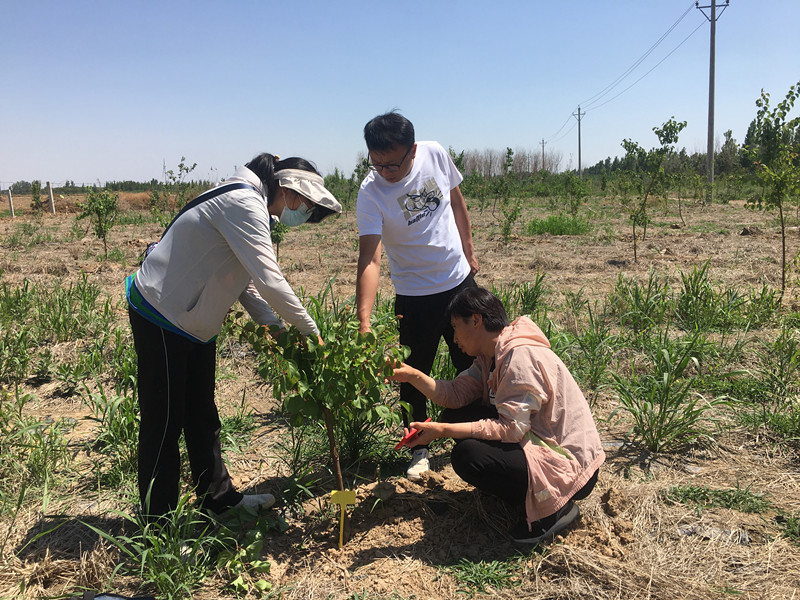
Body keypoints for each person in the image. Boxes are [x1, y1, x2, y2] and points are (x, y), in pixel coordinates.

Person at [126, 153, 341, 520]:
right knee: (164, 422)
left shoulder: (253, 205)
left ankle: (219, 500)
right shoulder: (244, 202)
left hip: (196, 322)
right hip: (162, 313)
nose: (303, 215)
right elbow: (270, 281)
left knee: (202, 415)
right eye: (306, 207)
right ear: (289, 190)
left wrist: (274, 326)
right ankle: (159, 525)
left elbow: (245, 280)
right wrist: (311, 332)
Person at [389, 287, 605, 543]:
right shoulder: (489, 357)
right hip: (535, 439)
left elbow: (512, 430)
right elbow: (455, 394)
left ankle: (554, 508)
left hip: (566, 464)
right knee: (454, 415)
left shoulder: (520, 358)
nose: (454, 338)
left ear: (476, 320)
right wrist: (412, 376)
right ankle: (520, 491)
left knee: (468, 456)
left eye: (456, 327)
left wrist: (443, 431)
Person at [356, 111, 479, 481]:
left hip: (458, 283)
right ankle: (418, 448)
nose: (385, 172)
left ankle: (475, 432)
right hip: (414, 296)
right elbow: (370, 258)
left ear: (412, 150)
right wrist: (364, 319)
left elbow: (456, 201)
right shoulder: (371, 192)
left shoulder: (435, 154)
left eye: (393, 164)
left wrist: (469, 250)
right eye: (377, 164)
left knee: (475, 366)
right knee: (412, 377)